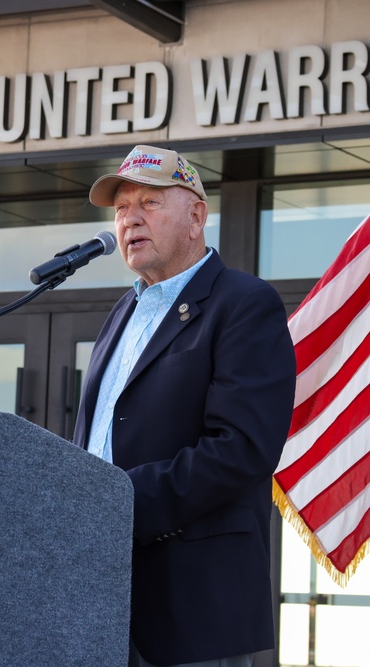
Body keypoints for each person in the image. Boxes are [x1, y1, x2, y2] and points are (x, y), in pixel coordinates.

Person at [73, 145, 297, 667]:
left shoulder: (243, 304)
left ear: (197, 217)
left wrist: (114, 502)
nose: (130, 219)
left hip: (190, 612)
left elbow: (240, 449)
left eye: (148, 203)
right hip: (97, 602)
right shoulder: (122, 313)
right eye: (122, 207)